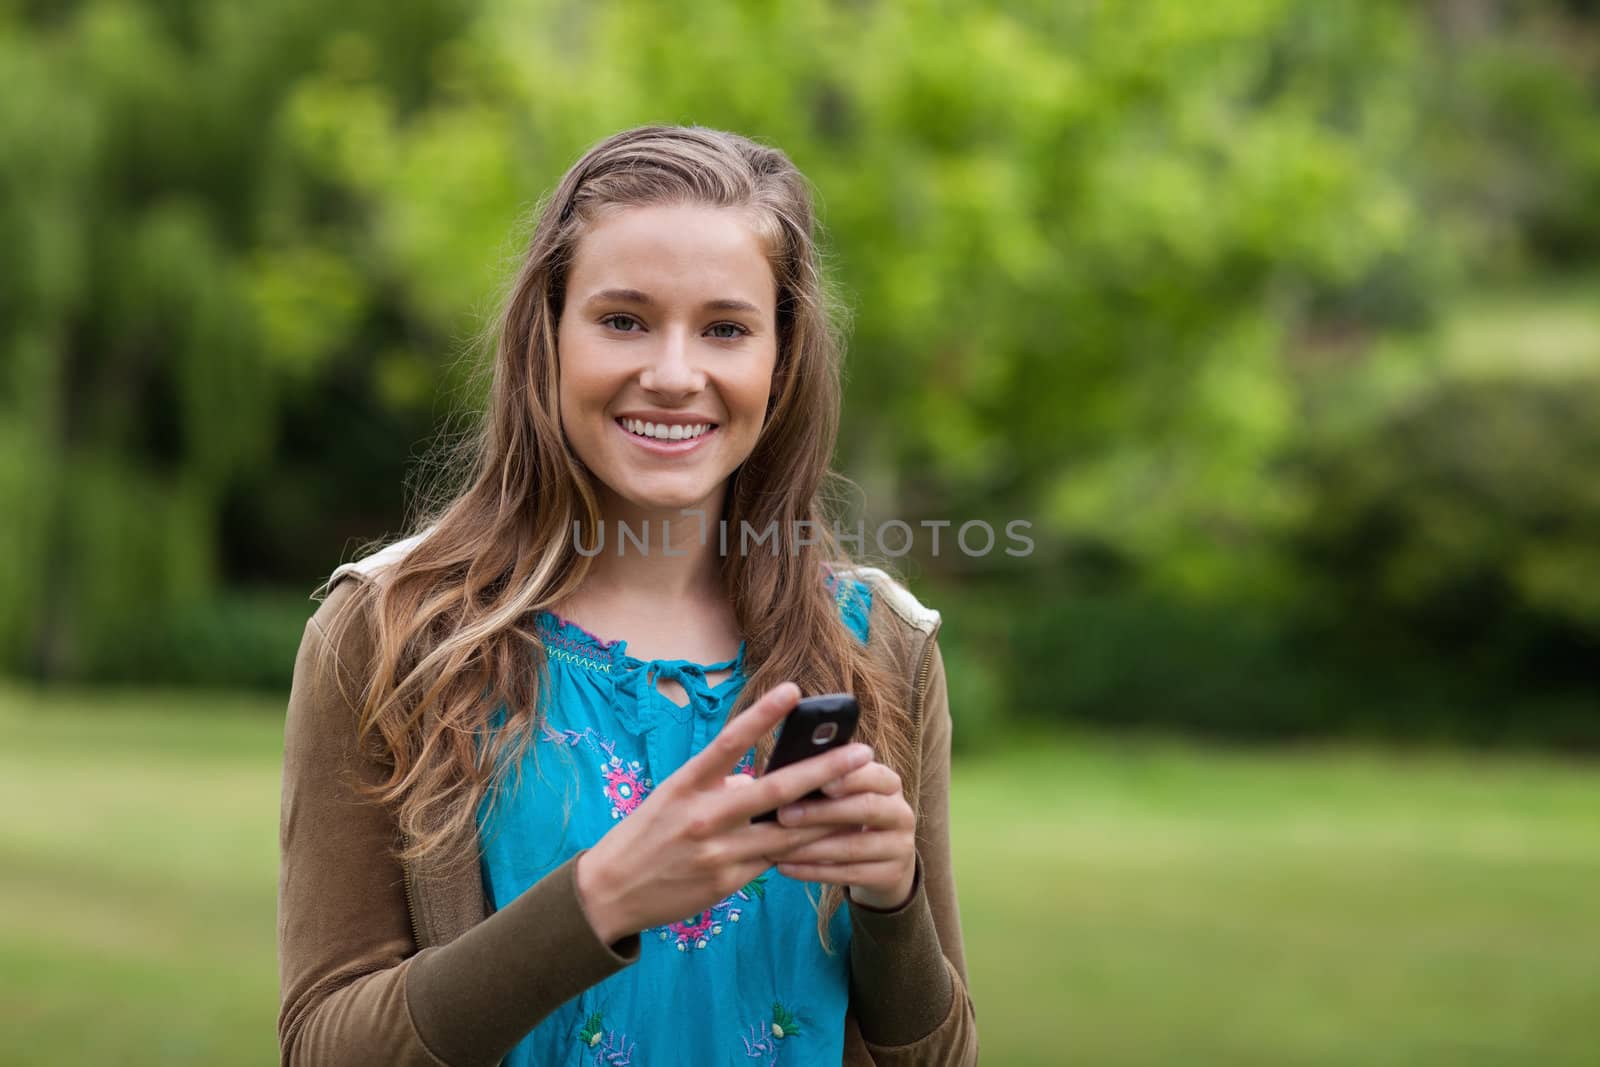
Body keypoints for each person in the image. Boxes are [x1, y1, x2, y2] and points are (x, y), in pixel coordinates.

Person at [277, 124, 978, 1067]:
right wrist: (597, 899)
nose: (676, 374)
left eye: (726, 328)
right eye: (624, 320)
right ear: (550, 333)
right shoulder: (393, 634)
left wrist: (894, 903)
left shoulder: (879, 646)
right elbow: (323, 1048)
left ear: (783, 359)